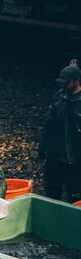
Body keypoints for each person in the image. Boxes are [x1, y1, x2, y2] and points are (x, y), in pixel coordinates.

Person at [39, 64, 81, 202]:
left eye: (66, 83)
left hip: (75, 155)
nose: (63, 85)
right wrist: (43, 144)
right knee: (51, 188)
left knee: (74, 192)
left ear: (76, 80)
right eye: (61, 83)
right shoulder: (59, 96)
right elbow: (49, 121)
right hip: (55, 151)